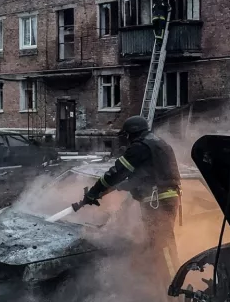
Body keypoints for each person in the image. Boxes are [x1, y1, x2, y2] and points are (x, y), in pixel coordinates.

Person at [77, 115, 182, 284]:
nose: (126, 139)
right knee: (158, 244)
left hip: (157, 201)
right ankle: (159, 283)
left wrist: (94, 191)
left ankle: (175, 288)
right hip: (164, 198)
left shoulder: (140, 147)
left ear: (132, 133)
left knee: (163, 245)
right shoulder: (157, 143)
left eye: (126, 135)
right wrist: (119, 187)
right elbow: (145, 175)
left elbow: (115, 173)